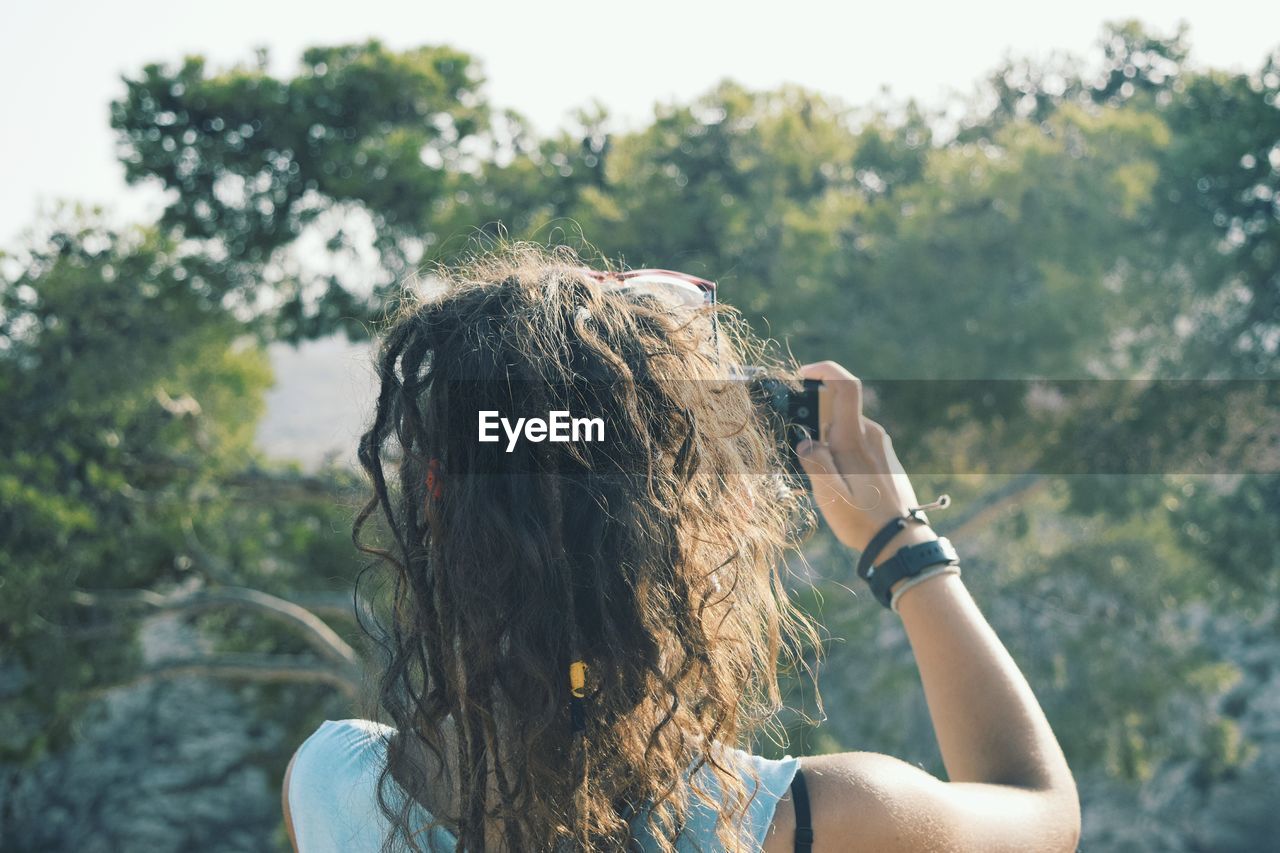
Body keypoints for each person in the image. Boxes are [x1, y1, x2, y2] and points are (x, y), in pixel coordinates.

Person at [281, 243, 1081, 852]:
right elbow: (1040, 807)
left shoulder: (332, 784)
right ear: (689, 528)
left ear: (434, 497)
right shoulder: (810, 820)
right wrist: (902, 545)